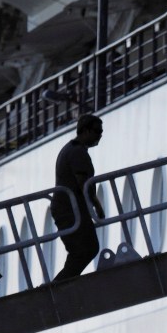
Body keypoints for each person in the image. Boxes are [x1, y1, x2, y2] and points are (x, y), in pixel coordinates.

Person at [51, 114, 105, 281]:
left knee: (82, 250)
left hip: (69, 208)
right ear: (86, 131)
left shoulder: (71, 149)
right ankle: (59, 286)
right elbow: (84, 183)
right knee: (86, 249)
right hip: (70, 209)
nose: (100, 135)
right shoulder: (77, 152)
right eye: (97, 131)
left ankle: (61, 284)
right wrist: (97, 206)